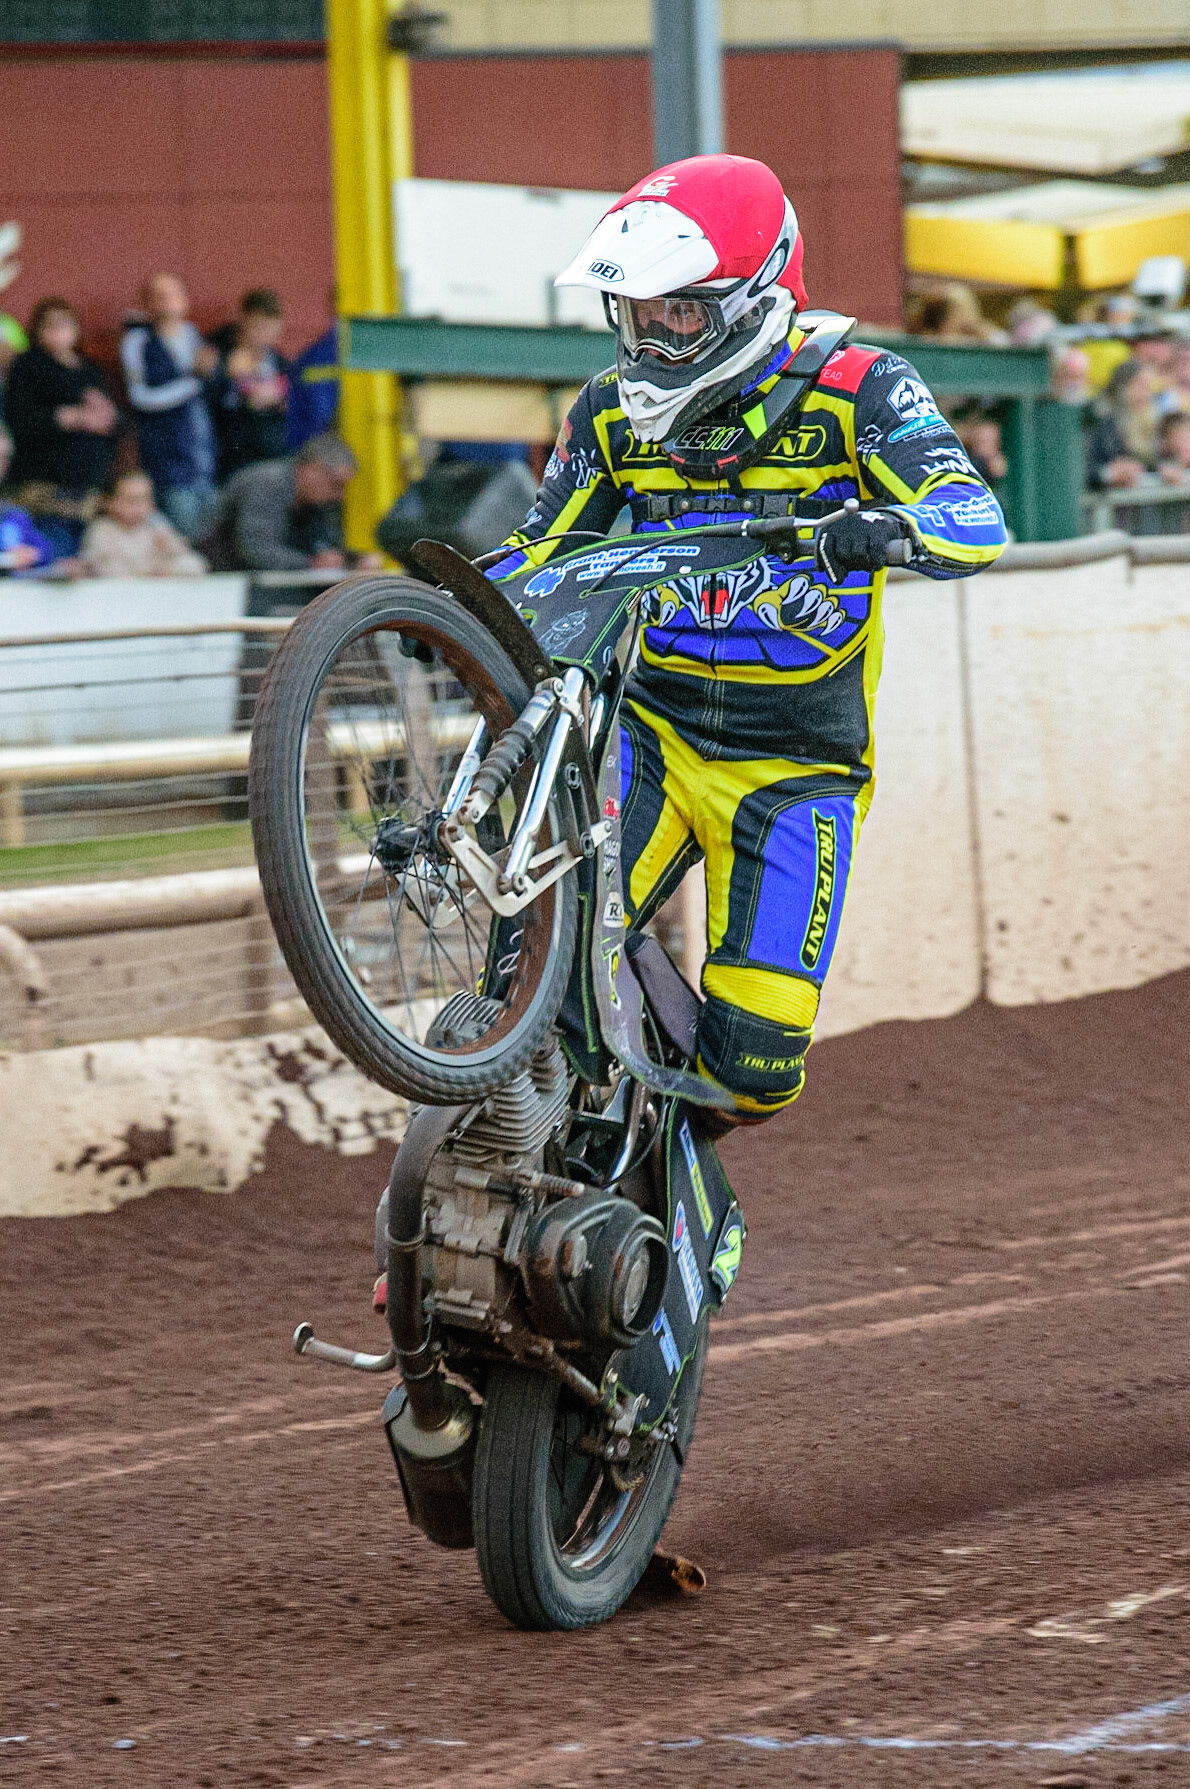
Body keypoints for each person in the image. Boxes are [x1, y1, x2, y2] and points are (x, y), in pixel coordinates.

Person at [490, 154, 1008, 1130]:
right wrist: (448, 606)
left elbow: (972, 516)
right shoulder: (607, 411)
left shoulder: (860, 386)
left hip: (795, 766)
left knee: (754, 1073)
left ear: (758, 291)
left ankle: (661, 1169)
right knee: (535, 971)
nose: (657, 336)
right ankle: (526, 1152)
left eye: (683, 311)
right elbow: (536, 551)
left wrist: (895, 531)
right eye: (640, 313)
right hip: (645, 739)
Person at [2, 296, 118, 557]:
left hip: (89, 490)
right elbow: (21, 417)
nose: (57, 332)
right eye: (49, 325)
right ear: (37, 331)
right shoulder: (29, 365)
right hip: (48, 490)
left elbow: (111, 417)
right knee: (55, 555)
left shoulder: (90, 370)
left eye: (64, 324)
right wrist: (68, 417)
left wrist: (106, 416)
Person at [121, 272, 217, 539]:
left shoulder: (192, 334)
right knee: (185, 533)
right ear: (147, 304)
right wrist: (192, 381)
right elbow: (140, 397)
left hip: (204, 456)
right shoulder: (138, 341)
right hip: (169, 462)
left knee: (209, 536)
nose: (167, 302)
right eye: (159, 296)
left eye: (172, 294)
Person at [199, 432, 379, 573]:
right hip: (220, 579)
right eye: (336, 484)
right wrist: (311, 563)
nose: (340, 495)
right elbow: (255, 550)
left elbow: (327, 546)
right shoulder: (267, 483)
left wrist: (354, 560)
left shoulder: (313, 500)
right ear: (310, 470)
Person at [207, 287, 292, 483]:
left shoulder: (281, 364)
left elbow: (296, 404)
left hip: (274, 457)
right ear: (243, 321)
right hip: (231, 459)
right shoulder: (217, 355)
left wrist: (279, 401)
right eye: (257, 326)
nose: (263, 335)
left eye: (270, 328)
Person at [79, 470, 207, 577]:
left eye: (145, 499)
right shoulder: (101, 530)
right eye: (132, 500)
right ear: (110, 502)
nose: (140, 506)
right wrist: (145, 574)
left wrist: (172, 549)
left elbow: (196, 566)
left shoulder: (156, 527)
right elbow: (100, 569)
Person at [1087, 362, 1159, 491]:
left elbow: (1139, 462)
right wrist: (1109, 472)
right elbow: (1081, 466)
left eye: (1149, 387)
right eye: (1141, 385)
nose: (1147, 394)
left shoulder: (1138, 420)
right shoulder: (1097, 415)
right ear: (1122, 386)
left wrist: (1160, 469)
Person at [0, 421, 56, 576]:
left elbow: (45, 550)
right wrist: (7, 559)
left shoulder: (12, 514)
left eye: (4, 458)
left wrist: (32, 555)